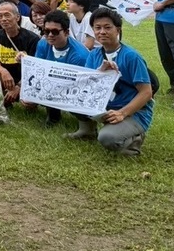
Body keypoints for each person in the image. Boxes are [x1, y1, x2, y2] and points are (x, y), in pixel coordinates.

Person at [65, 8, 154, 156]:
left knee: (107, 138)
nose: (102, 32)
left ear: (117, 30)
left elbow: (146, 92)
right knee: (72, 98)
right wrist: (100, 72)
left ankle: (134, 140)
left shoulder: (131, 56)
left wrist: (122, 113)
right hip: (105, 108)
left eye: (107, 27)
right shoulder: (93, 55)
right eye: (97, 28)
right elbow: (87, 86)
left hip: (133, 112)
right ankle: (87, 130)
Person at [33, 10, 90, 127]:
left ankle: (85, 122)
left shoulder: (79, 55)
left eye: (54, 32)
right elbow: (38, 70)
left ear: (66, 32)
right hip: (53, 84)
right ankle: (53, 115)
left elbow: (80, 84)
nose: (49, 35)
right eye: (46, 31)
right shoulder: (42, 44)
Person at [0, 0, 41, 105]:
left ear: (17, 17)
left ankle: (20, 95)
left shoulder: (31, 38)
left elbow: (35, 68)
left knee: (28, 103)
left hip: (26, 79)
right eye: (0, 16)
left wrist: (19, 87)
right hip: (6, 77)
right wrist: (3, 71)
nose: (3, 19)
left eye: (7, 15)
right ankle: (5, 95)